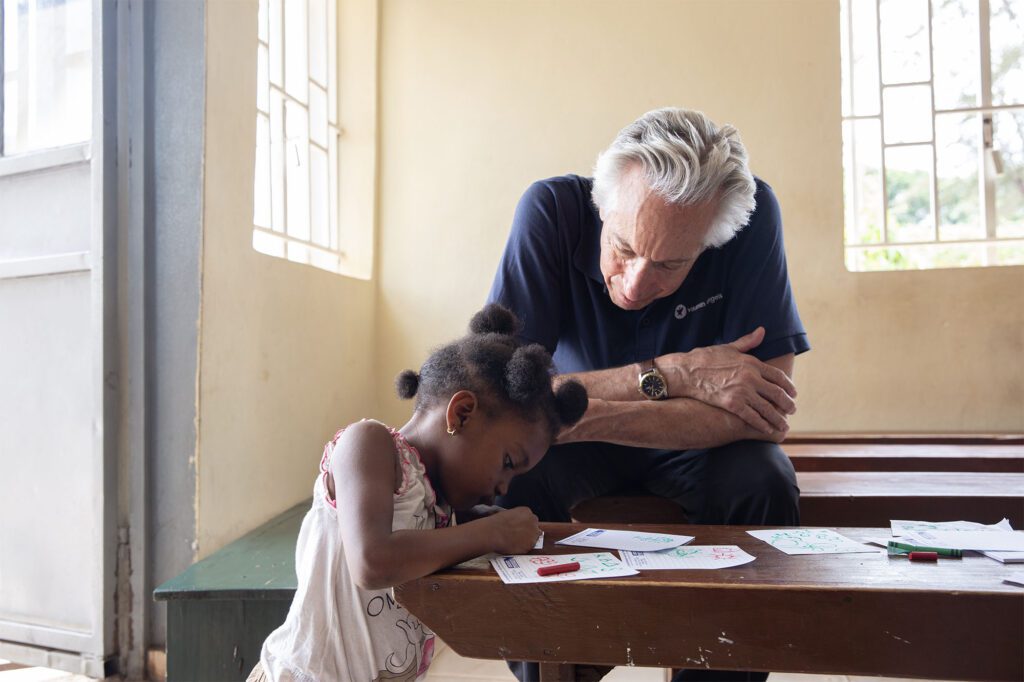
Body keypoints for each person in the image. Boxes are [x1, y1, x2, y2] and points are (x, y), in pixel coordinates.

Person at [488, 107, 810, 682]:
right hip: (587, 440)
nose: (637, 284)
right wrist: (675, 373)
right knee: (506, 475)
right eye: (623, 248)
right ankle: (565, 666)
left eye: (671, 264)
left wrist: (579, 411)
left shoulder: (753, 216)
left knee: (764, 481)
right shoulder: (550, 210)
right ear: (600, 207)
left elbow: (764, 414)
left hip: (658, 440)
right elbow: (504, 396)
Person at [247, 304, 588, 682]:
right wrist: (490, 532)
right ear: (461, 414)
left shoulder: (436, 500)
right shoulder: (370, 445)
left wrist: (485, 524)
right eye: (508, 462)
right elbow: (372, 561)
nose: (504, 488)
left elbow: (421, 539)